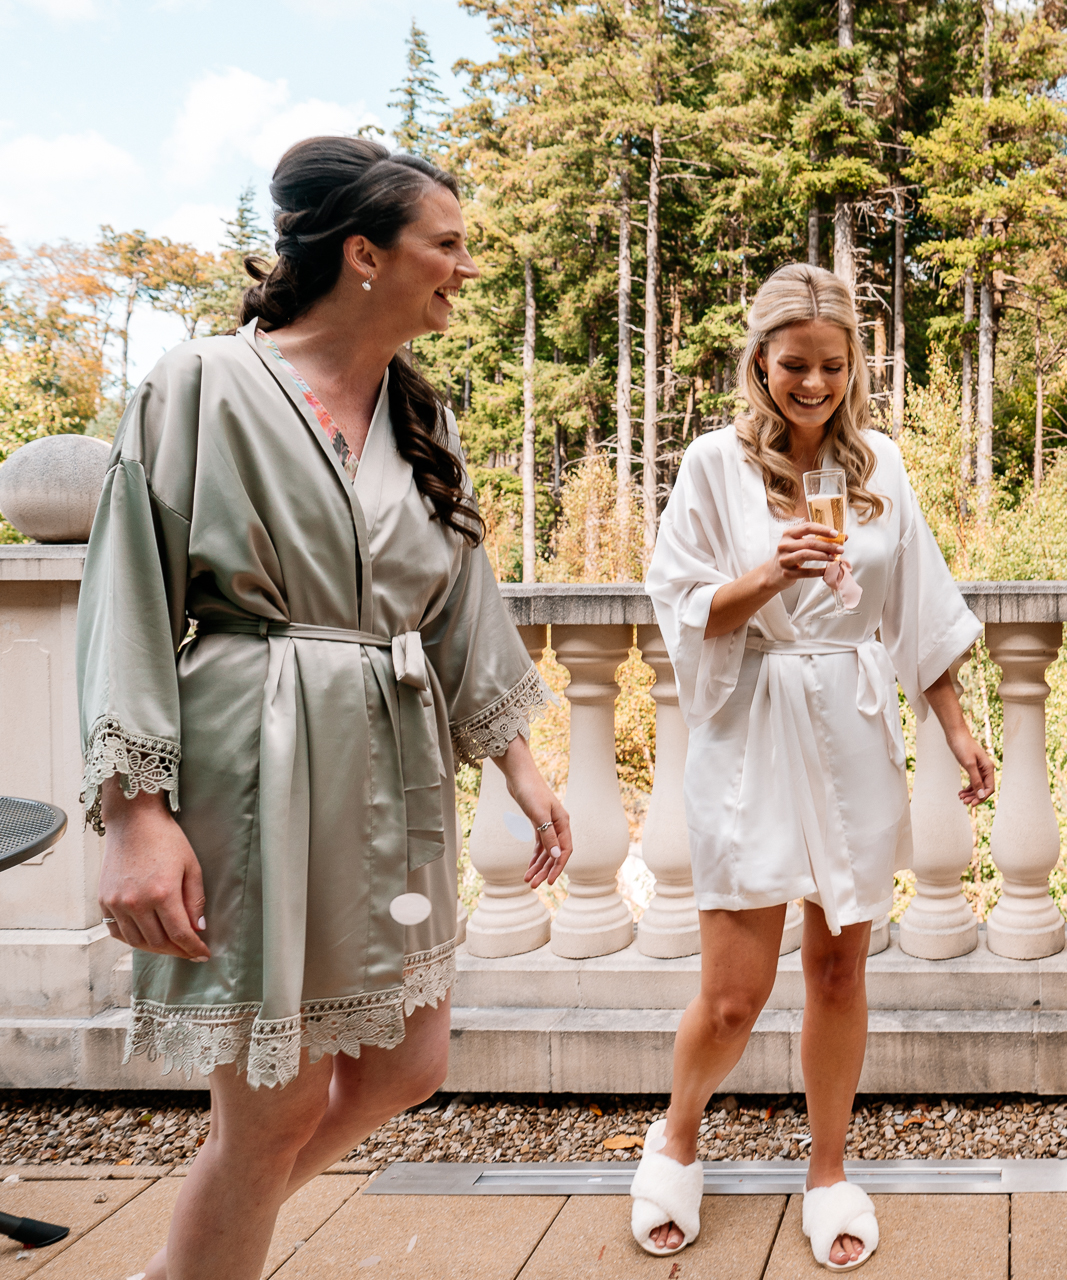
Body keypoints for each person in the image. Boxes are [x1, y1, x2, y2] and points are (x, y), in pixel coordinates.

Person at [78, 136, 571, 1280]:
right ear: (363, 251)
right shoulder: (198, 384)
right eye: (446, 245)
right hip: (251, 760)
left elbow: (459, 603)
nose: (464, 267)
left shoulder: (419, 417)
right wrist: (133, 812)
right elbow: (128, 600)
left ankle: (189, 1252)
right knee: (273, 1101)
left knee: (407, 1058)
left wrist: (520, 760)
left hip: (386, 762)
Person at [638, 263, 994, 1272]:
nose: (813, 384)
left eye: (832, 365)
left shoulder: (879, 465)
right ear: (759, 361)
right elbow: (675, 597)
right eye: (795, 364)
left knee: (839, 967)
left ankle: (830, 1167)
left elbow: (916, 604)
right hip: (750, 722)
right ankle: (677, 1135)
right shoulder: (714, 464)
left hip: (850, 717)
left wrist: (957, 727)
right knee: (734, 993)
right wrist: (764, 576)